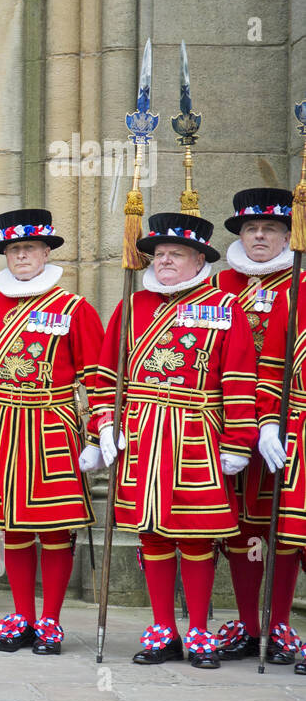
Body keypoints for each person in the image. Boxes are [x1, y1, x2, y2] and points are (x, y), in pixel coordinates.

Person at [92, 213, 257, 669]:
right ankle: (163, 627)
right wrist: (104, 424)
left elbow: (239, 379)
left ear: (198, 259)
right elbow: (107, 376)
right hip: (143, 435)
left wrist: (239, 441)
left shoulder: (224, 306)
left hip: (196, 435)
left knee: (197, 534)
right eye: (159, 255)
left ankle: (200, 629)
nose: (164, 262)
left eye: (175, 255)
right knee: (153, 535)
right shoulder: (131, 304)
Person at [0, 209, 105, 655]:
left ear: (45, 252)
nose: (21, 256)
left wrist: (98, 434)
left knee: (56, 529)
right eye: (14, 249)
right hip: (0, 427)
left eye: (30, 249)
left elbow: (97, 376)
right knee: (10, 529)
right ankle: (21, 614)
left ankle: (51, 621)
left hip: (52, 425)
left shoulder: (73, 308)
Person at [211, 188, 295, 660]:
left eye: (270, 229)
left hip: (284, 428)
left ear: (288, 235)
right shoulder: (219, 286)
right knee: (235, 527)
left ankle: (278, 622)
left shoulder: (299, 283)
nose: (259, 236)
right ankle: (247, 623)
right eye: (250, 229)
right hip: (224, 427)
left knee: (281, 527)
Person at [254, 264, 306, 673]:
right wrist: (270, 421)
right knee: (296, 534)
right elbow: (272, 368)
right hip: (301, 429)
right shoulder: (293, 294)